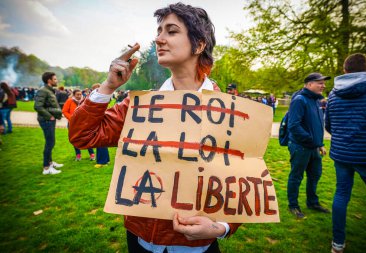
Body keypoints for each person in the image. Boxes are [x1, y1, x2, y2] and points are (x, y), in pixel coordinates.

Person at [69, 3, 241, 252]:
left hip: (196, 244)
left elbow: (241, 182)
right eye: (159, 31)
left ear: (199, 44)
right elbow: (82, 136)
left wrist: (223, 228)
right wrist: (107, 87)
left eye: (171, 31)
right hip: (140, 238)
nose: (159, 39)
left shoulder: (228, 111)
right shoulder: (139, 105)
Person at [325, 53, 366, 253]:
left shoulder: (333, 94)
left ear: (345, 70)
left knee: (341, 196)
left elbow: (329, 125)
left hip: (342, 154)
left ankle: (337, 244)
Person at [287, 72, 330, 219]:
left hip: (314, 147)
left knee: (315, 175)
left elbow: (316, 125)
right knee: (296, 177)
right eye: (320, 82)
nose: (323, 85)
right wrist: (313, 141)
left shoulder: (316, 100)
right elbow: (294, 126)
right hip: (300, 147)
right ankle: (293, 205)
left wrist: (320, 144)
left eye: (324, 83)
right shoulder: (300, 100)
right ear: (310, 84)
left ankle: (312, 202)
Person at [34, 72, 64, 175]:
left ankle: (50, 162)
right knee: (50, 143)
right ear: (49, 80)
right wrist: (49, 116)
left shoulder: (50, 91)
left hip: (50, 120)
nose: (57, 81)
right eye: (55, 79)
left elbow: (49, 105)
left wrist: (56, 113)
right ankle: (46, 168)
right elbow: (38, 106)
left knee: (50, 142)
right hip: (46, 120)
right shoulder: (43, 91)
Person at [62, 89, 95, 161]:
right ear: (74, 95)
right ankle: (78, 155)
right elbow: (64, 111)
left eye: (80, 94)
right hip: (72, 123)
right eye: (77, 94)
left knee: (87, 138)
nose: (79, 96)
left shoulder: (85, 101)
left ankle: (92, 154)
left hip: (84, 123)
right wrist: (72, 119)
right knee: (75, 139)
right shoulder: (69, 101)